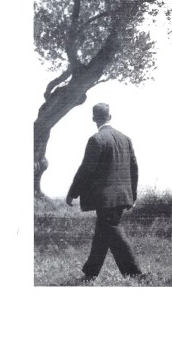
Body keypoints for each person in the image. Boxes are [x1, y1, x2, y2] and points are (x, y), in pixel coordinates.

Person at [66, 103, 145, 282]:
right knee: (103, 233)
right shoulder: (125, 139)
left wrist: (73, 193)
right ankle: (90, 274)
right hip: (123, 196)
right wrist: (132, 195)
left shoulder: (96, 139)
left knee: (112, 230)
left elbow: (86, 169)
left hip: (105, 199)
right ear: (110, 117)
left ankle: (135, 274)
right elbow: (134, 168)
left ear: (93, 119)